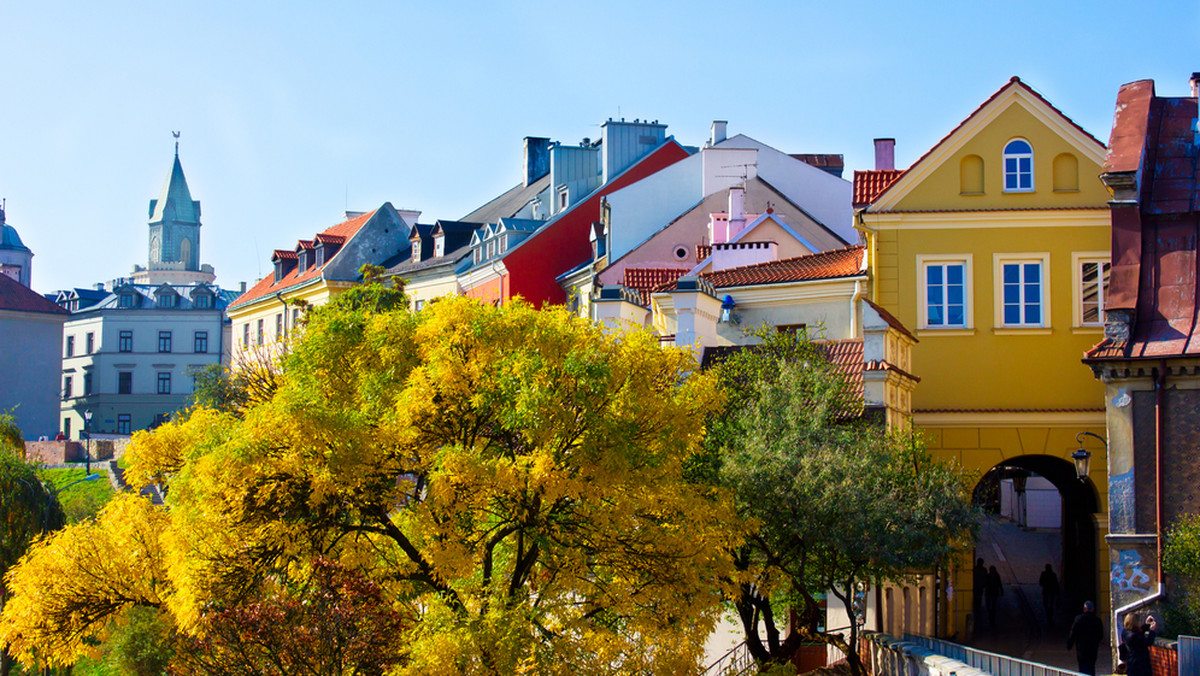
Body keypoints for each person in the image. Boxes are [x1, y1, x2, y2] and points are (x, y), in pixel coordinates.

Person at [1066, 600, 1104, 675]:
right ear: (1093, 609)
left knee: (1083, 666)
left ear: (1084, 609)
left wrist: (1069, 645)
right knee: (1091, 666)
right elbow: (1100, 634)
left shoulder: (1078, 619)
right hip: (1093, 648)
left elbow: (1073, 633)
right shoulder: (1097, 620)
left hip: (1081, 648)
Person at [1120, 612, 1157, 676]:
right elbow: (1148, 642)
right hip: (1140, 664)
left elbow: (1138, 631)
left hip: (1131, 662)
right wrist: (1152, 631)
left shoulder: (1125, 632)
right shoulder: (1134, 636)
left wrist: (1147, 625)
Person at [1039, 563, 1060, 627]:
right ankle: (1050, 614)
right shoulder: (1053, 575)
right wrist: (1057, 593)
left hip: (1046, 591)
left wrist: (1045, 585)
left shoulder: (1044, 574)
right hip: (1051, 591)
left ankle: (1048, 613)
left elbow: (1041, 582)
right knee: (1050, 604)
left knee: (1046, 603)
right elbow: (1056, 584)